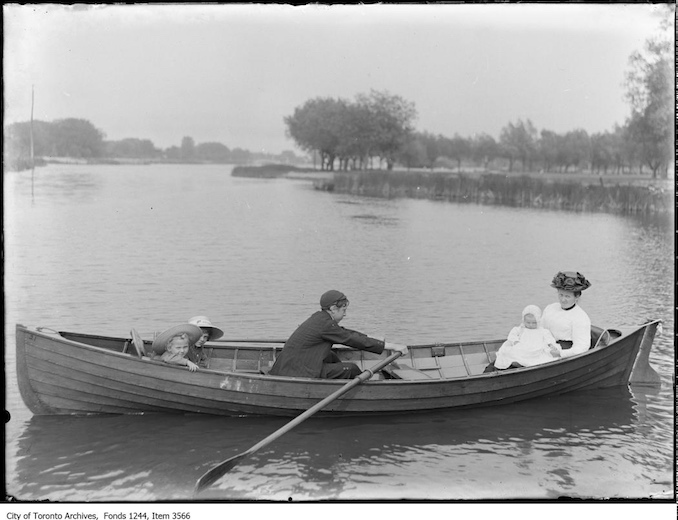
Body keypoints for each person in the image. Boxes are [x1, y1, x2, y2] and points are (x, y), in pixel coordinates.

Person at [268, 290, 408, 379]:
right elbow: (350, 339)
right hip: (300, 372)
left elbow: (345, 332)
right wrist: (391, 346)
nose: (345, 314)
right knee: (351, 368)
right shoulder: (325, 324)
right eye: (343, 310)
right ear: (333, 309)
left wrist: (373, 338)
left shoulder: (320, 318)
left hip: (288, 367)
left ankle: (342, 382)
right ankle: (365, 389)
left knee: (331, 356)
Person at [541, 271, 592, 358]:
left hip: (564, 353)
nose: (563, 299)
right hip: (544, 347)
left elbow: (582, 347)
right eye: (561, 295)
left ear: (577, 297)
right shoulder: (550, 308)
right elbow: (540, 329)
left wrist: (560, 354)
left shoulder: (580, 317)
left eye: (567, 296)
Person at [492, 305, 560, 370]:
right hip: (522, 346)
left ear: (538, 321)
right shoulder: (520, 329)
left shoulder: (542, 331)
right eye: (528, 322)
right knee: (510, 352)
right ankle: (517, 362)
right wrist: (515, 341)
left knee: (542, 354)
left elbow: (548, 338)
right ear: (524, 321)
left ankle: (524, 363)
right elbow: (512, 335)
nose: (530, 325)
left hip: (536, 348)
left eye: (534, 323)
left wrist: (550, 344)